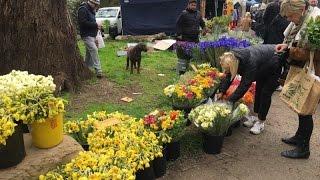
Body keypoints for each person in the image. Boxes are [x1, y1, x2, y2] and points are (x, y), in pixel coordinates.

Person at [275, 0, 320, 159]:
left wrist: (291, 51)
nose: (289, 19)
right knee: (299, 107)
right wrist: (287, 46)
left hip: (312, 72)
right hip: (303, 69)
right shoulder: (303, 19)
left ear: (301, 9)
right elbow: (296, 42)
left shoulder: (316, 20)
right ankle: (299, 137)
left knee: (305, 110)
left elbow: (313, 53)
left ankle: (303, 149)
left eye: (291, 15)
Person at [217, 45, 283, 135]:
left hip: (274, 65)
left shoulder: (250, 63)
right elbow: (229, 75)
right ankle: (256, 117)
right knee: (259, 90)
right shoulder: (232, 58)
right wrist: (222, 91)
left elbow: (244, 85)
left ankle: (261, 122)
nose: (226, 71)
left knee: (265, 93)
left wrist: (229, 101)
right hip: (262, 64)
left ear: (234, 66)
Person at [78, 0, 103, 78]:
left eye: (97, 5)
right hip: (86, 34)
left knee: (89, 53)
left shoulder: (91, 9)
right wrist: (96, 25)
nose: (96, 6)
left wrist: (98, 27)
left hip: (93, 34)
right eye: (95, 4)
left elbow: (92, 21)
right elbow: (83, 22)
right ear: (90, 2)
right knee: (94, 49)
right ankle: (98, 70)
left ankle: (86, 68)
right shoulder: (83, 9)